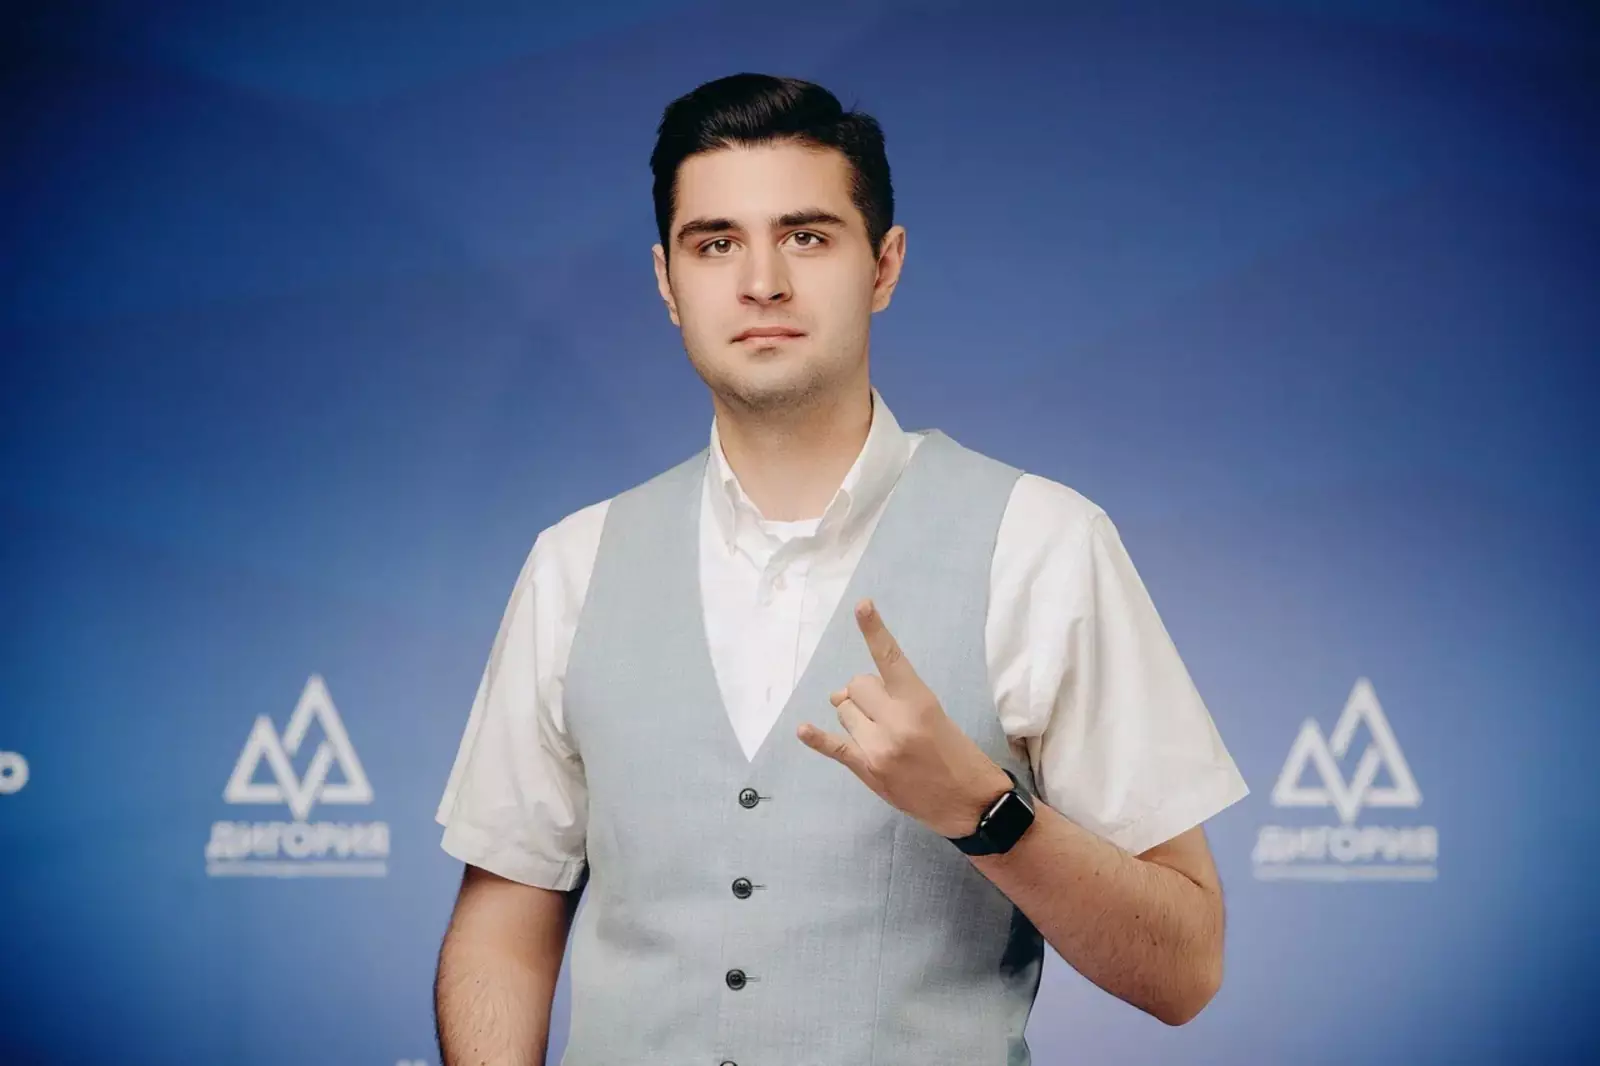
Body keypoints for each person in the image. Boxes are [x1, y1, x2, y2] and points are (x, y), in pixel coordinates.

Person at [431, 72, 1249, 1066]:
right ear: (666, 281)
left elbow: (1184, 968)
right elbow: (503, 927)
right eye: (715, 242)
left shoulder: (1041, 544)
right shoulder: (574, 563)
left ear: (884, 266)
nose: (761, 281)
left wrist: (985, 811)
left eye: (807, 236)